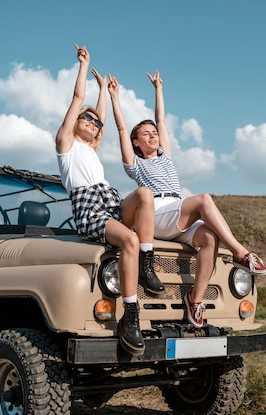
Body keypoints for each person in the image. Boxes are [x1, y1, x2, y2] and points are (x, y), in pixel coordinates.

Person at [108, 70, 266, 329]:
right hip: (156, 212)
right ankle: (241, 253)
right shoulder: (135, 165)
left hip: (176, 212)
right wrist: (114, 97)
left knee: (209, 238)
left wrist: (158, 89)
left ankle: (195, 300)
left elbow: (161, 118)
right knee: (204, 200)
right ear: (136, 143)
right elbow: (121, 127)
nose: (153, 136)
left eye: (154, 133)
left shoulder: (166, 156)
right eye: (146, 134)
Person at [55, 45, 164, 356]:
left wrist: (104, 89)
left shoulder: (90, 149)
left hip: (109, 199)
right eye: (86, 119)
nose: (92, 122)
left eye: (96, 123)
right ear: (76, 122)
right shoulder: (66, 144)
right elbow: (78, 101)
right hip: (89, 208)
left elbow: (101, 116)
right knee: (128, 239)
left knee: (144, 193)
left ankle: (147, 263)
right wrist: (84, 66)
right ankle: (130, 316)